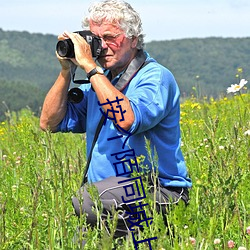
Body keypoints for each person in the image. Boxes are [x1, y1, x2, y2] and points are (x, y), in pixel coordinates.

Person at [40, 0, 192, 246]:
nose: (102, 47)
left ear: (133, 39)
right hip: (110, 201)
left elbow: (127, 119)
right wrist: (66, 71)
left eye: (110, 37)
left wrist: (90, 67)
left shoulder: (154, 77)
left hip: (156, 191)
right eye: (96, 39)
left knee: (87, 200)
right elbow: (49, 122)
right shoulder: (99, 83)